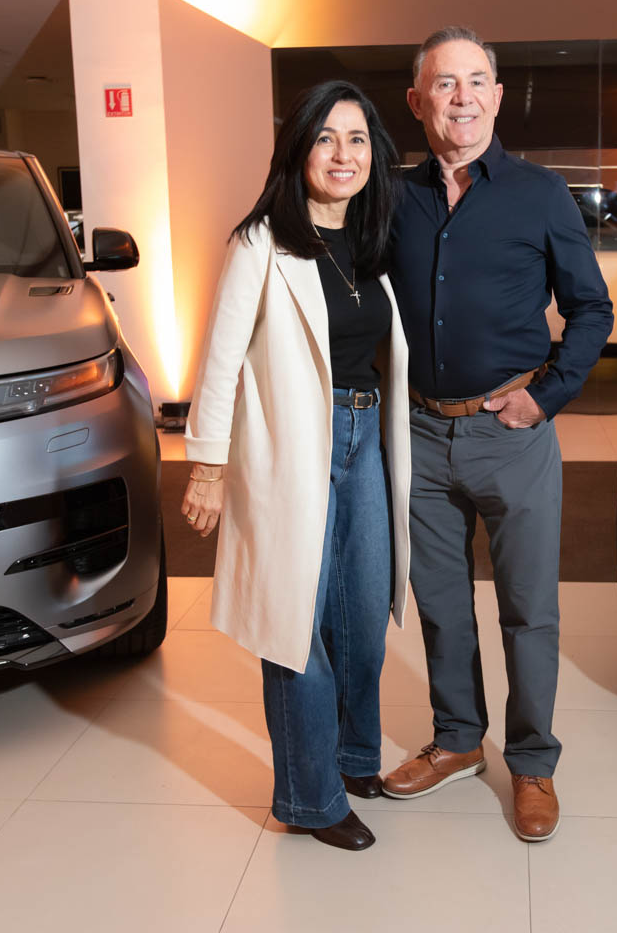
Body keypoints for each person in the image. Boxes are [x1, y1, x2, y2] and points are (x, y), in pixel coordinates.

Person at [382, 27, 613, 842]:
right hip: (419, 432)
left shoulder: (539, 193)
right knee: (441, 605)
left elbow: (592, 310)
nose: (464, 97)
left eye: (477, 80)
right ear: (418, 101)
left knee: (528, 609)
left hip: (511, 434)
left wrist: (544, 399)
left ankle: (533, 763)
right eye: (446, 84)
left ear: (498, 95)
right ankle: (456, 741)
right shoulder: (392, 198)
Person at [181, 80, 411, 852]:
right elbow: (220, 362)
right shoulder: (261, 243)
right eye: (325, 138)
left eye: (357, 138)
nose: (343, 154)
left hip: (365, 438)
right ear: (299, 149)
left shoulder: (374, 243)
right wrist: (207, 466)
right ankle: (310, 798)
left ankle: (353, 757)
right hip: (289, 448)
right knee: (293, 626)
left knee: (364, 616)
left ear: (374, 153)